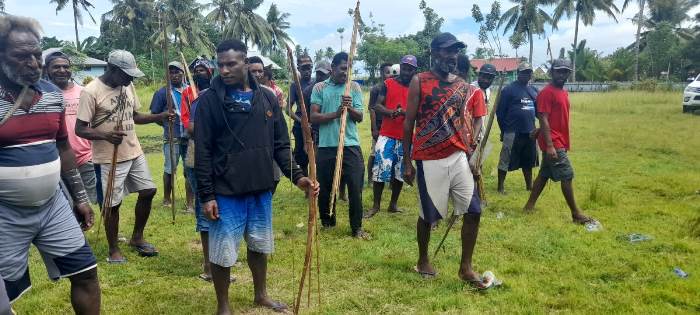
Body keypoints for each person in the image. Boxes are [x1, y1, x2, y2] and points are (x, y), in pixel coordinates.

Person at [195, 39, 318, 314]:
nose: (224, 70)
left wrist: (298, 177)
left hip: (261, 188)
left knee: (260, 245)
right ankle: (223, 305)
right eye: (220, 64)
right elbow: (201, 151)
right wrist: (207, 195)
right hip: (225, 191)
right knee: (223, 252)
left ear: (246, 62)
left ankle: (260, 294)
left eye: (231, 64)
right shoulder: (209, 102)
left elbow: (280, 145)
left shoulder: (267, 97)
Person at [0, 14, 100, 313]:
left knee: (86, 274)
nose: (33, 63)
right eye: (22, 56)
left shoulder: (53, 95)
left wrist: (80, 197)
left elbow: (62, 146)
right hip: (4, 213)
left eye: (35, 54)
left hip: (52, 205)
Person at [402, 32, 489, 287]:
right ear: (434, 52)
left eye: (456, 51)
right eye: (447, 51)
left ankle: (466, 267)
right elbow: (408, 123)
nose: (452, 56)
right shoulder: (419, 81)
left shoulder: (462, 85)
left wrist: (473, 154)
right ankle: (423, 260)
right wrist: (407, 162)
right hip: (428, 157)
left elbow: (465, 122)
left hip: (458, 155)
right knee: (429, 215)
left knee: (473, 210)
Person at [76, 50, 172, 262]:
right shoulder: (90, 91)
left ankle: (137, 238)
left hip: (133, 150)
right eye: (126, 74)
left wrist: (160, 116)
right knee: (112, 204)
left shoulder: (128, 85)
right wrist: (105, 135)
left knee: (148, 191)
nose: (130, 79)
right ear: (111, 69)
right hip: (107, 157)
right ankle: (113, 250)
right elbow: (80, 129)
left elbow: (135, 116)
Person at [523, 59, 594, 224]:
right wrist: (549, 145)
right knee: (567, 176)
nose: (561, 74)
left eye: (565, 71)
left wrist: (540, 130)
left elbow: (549, 118)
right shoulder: (547, 93)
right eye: (558, 71)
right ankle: (576, 214)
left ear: (569, 73)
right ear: (551, 72)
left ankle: (529, 206)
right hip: (554, 142)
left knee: (544, 175)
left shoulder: (563, 92)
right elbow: (543, 118)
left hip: (556, 139)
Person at [310, 52, 370, 239]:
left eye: (349, 69)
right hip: (327, 146)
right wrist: (336, 113)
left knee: (354, 185)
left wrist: (349, 107)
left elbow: (359, 117)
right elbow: (314, 117)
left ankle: (357, 227)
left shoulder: (353, 87)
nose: (346, 73)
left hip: (350, 144)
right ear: (333, 68)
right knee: (326, 186)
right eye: (343, 68)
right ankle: (328, 221)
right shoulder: (320, 88)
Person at [180, 57, 219, 281]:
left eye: (204, 69)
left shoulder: (217, 95)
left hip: (220, 162)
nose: (200, 73)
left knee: (219, 210)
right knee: (206, 209)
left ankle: (218, 259)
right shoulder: (196, 98)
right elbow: (191, 128)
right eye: (197, 70)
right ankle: (208, 266)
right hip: (199, 159)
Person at [364, 55, 417, 218]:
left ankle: (393, 204)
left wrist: (405, 113)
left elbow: (419, 112)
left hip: (406, 137)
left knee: (400, 172)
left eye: (410, 68)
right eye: (405, 67)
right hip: (386, 134)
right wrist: (392, 112)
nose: (407, 71)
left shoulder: (417, 88)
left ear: (415, 70)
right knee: (380, 169)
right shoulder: (388, 84)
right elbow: (376, 105)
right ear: (401, 66)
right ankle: (376, 206)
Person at [44, 51, 98, 205]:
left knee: (94, 199)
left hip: (86, 157)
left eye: (65, 66)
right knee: (67, 202)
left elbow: (93, 121)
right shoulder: (41, 95)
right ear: (47, 69)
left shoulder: (83, 92)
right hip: (57, 160)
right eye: (56, 67)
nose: (62, 70)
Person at [150, 61, 194, 211]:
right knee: (170, 168)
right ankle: (167, 199)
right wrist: (165, 125)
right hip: (172, 137)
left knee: (190, 169)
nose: (174, 75)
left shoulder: (191, 91)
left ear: (183, 73)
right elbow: (154, 115)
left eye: (177, 72)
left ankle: (190, 204)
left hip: (189, 137)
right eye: (171, 72)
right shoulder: (162, 93)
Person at [496, 62, 539, 193]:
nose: (526, 74)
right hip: (512, 131)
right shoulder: (508, 90)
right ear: (518, 73)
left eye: (528, 72)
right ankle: (500, 187)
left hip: (530, 132)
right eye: (523, 72)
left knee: (529, 160)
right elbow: (500, 112)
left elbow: (538, 112)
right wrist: (504, 131)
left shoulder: (534, 90)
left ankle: (529, 186)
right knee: (505, 159)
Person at [248, 56, 284, 193]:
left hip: (269, 144)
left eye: (260, 71)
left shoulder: (269, 94)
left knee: (274, 177)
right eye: (253, 71)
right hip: (249, 150)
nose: (257, 74)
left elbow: (278, 124)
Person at [288, 54, 315, 174]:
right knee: (302, 158)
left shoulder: (317, 83)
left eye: (309, 67)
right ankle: (307, 187)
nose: (307, 71)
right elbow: (287, 109)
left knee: (317, 155)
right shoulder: (295, 86)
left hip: (316, 125)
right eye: (303, 68)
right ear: (298, 68)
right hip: (300, 127)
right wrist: (302, 122)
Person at [368, 62, 393, 185]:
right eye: (387, 72)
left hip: (390, 127)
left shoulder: (393, 87)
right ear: (381, 73)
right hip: (378, 126)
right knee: (374, 153)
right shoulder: (376, 89)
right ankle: (370, 179)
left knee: (390, 153)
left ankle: (390, 179)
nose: (390, 75)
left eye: (391, 72)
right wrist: (374, 129)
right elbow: (372, 109)